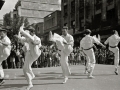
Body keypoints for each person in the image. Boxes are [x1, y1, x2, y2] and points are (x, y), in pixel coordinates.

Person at [14, 24, 41, 90]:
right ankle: (30, 83)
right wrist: (19, 33)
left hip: (36, 53)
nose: (28, 33)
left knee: (31, 39)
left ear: (33, 32)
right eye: (28, 32)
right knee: (25, 69)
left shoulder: (37, 38)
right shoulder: (28, 38)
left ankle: (31, 76)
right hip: (29, 53)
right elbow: (20, 38)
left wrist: (22, 31)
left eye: (29, 32)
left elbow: (36, 42)